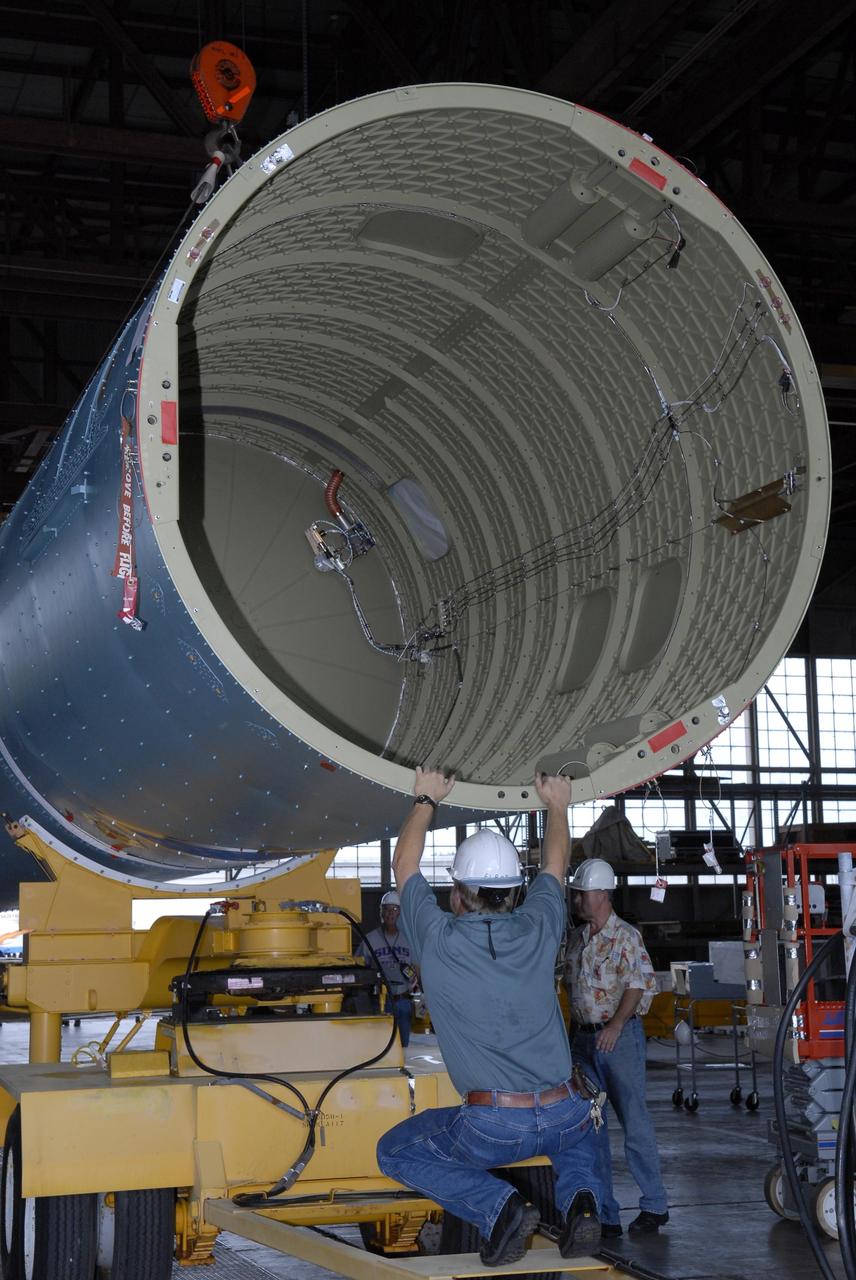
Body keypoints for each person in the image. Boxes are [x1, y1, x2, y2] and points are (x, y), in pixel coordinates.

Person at [376, 768, 604, 1267]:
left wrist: (426, 796)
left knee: (394, 1152)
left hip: (495, 1126)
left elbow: (403, 864)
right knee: (575, 1132)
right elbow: (556, 868)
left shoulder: (437, 939)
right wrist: (558, 805)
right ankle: (582, 1205)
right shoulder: (540, 924)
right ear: (514, 892)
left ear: (457, 893)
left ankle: (499, 1210)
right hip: (565, 1110)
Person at [564, 857, 668, 1238]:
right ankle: (606, 1213)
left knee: (634, 1122)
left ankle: (654, 1205)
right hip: (583, 1041)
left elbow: (638, 983)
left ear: (603, 894)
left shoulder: (625, 936)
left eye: (583, 894)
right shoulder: (577, 939)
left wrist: (617, 1024)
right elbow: (567, 985)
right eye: (575, 895)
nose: (577, 901)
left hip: (617, 1039)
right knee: (593, 1129)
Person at [355, 889, 416, 1046]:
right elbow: (358, 969)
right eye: (387, 909)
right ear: (381, 912)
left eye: (395, 909)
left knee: (404, 1049)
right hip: (380, 1002)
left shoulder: (409, 939)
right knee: (381, 1046)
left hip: (403, 1001)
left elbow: (418, 967)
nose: (390, 913)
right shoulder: (369, 940)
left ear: (400, 913)